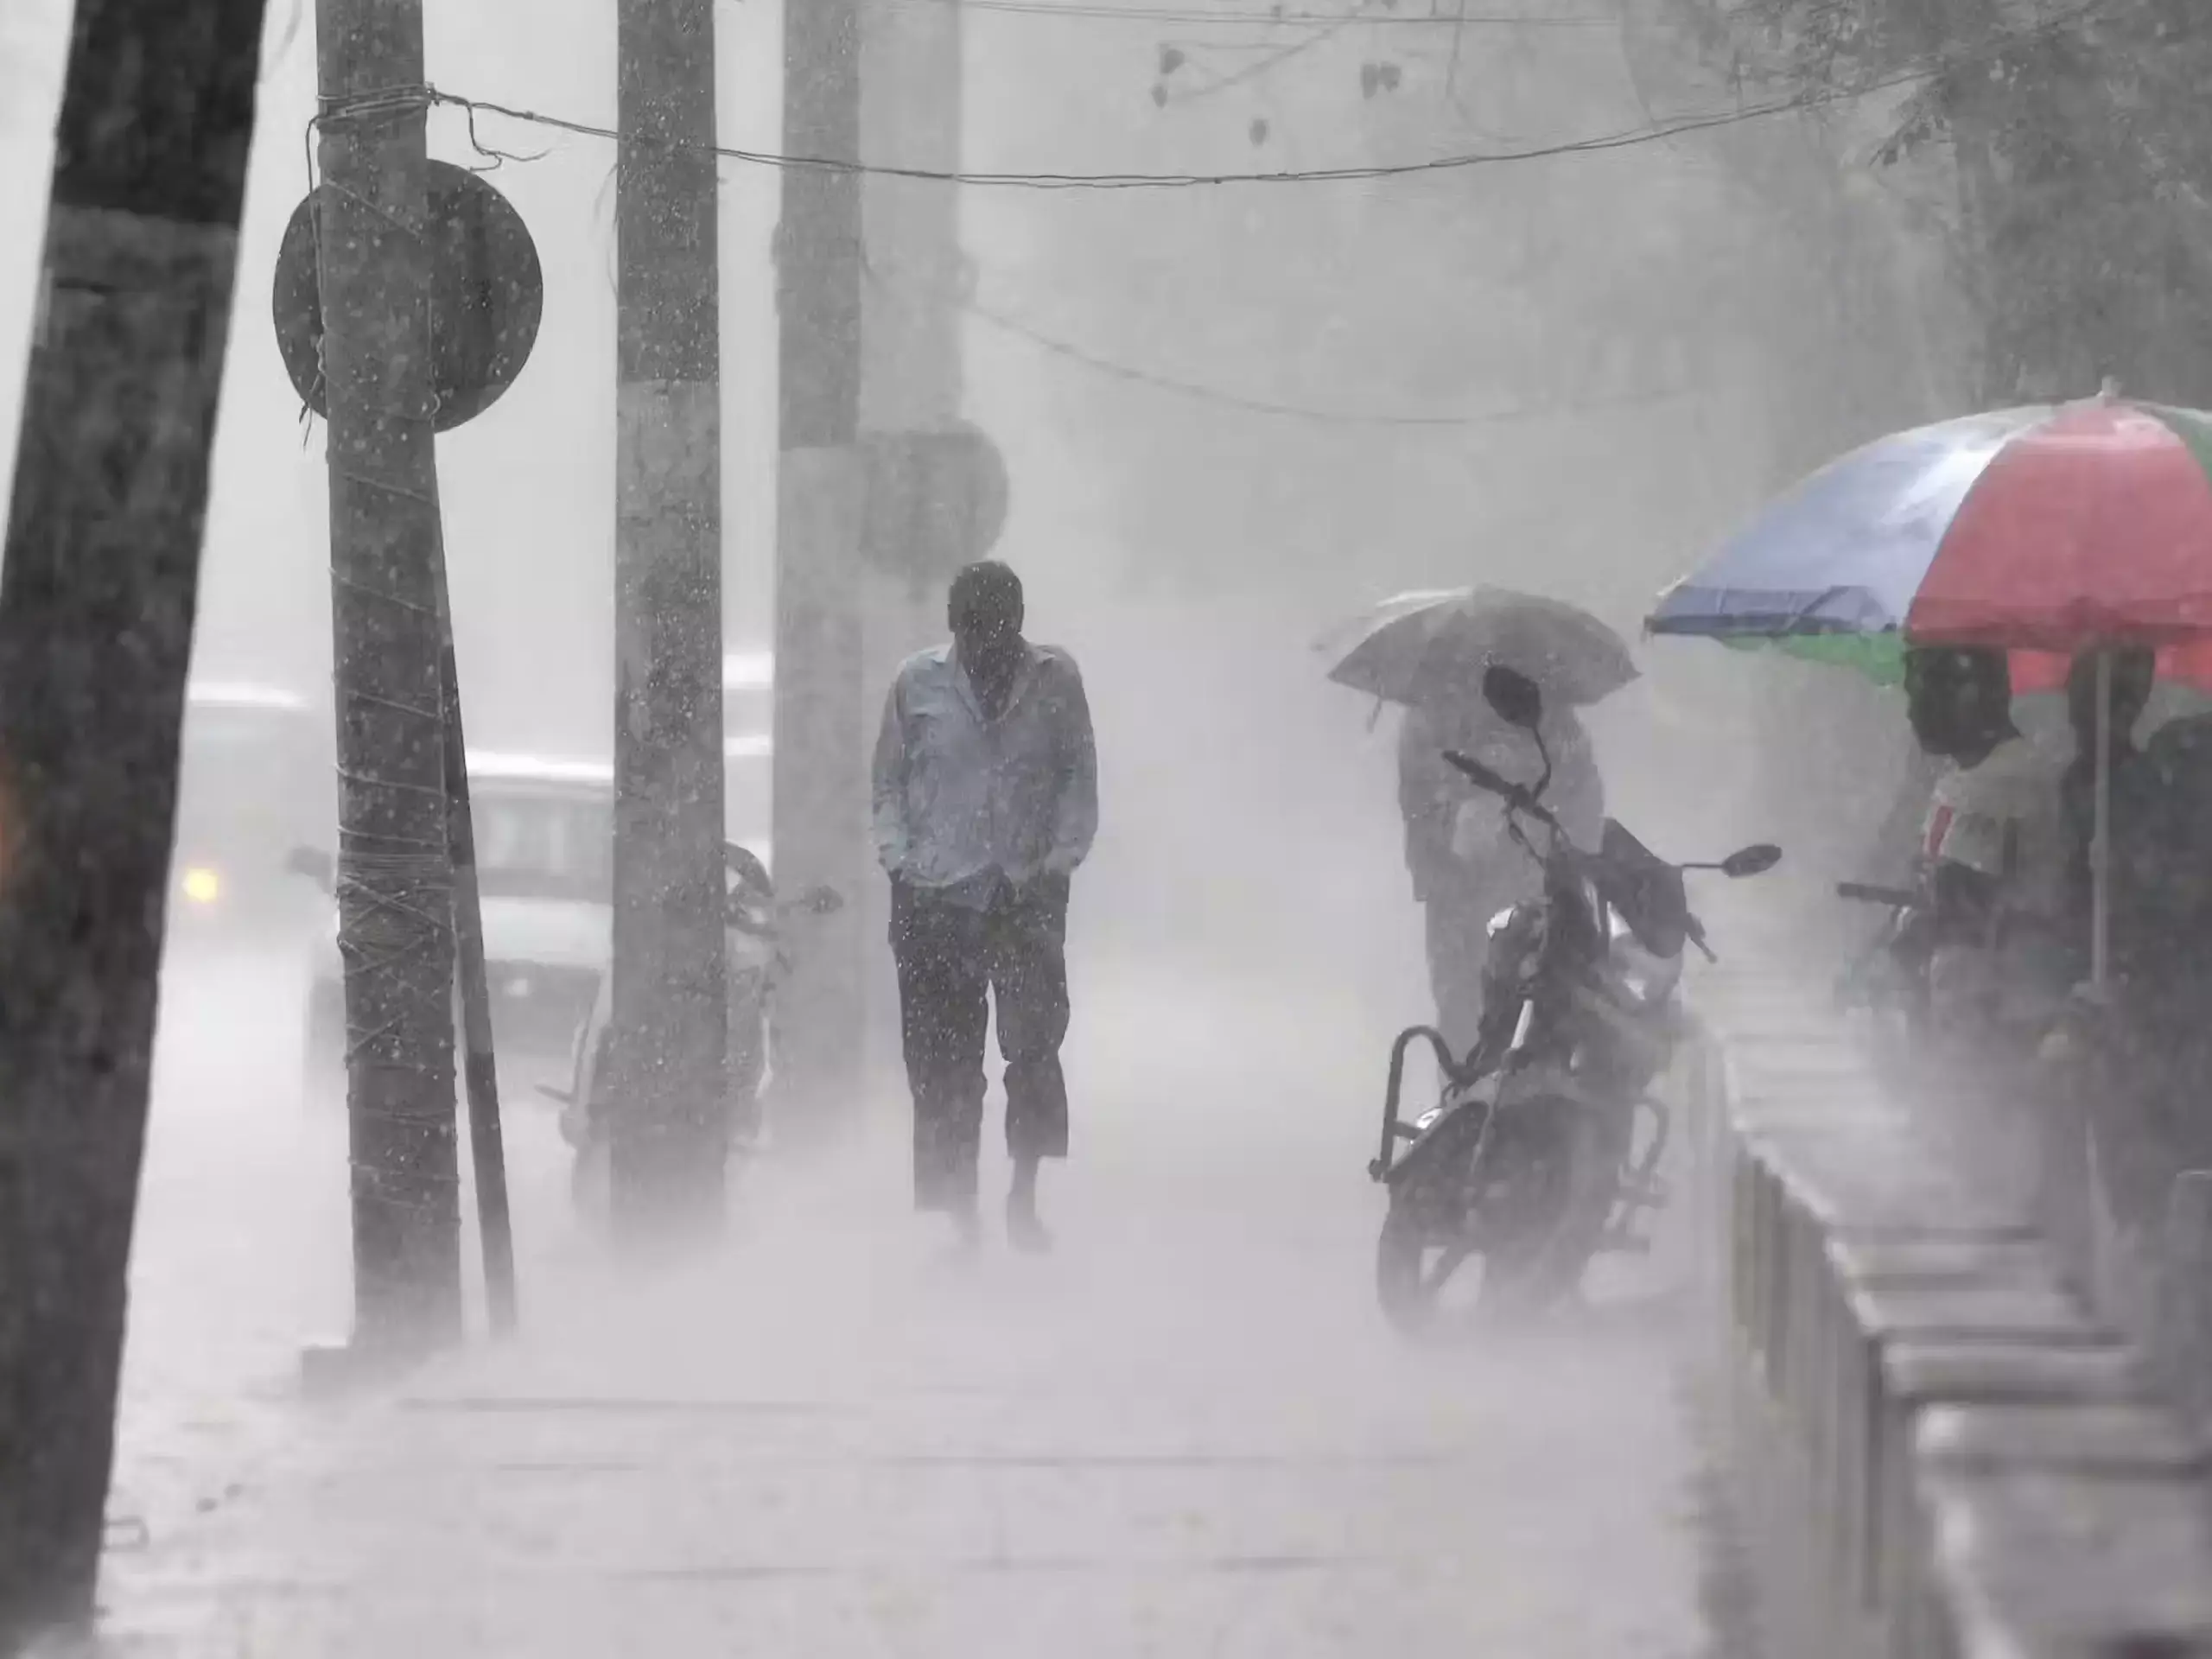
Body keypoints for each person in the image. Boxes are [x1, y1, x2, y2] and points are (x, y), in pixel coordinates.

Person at [872, 561, 1098, 1254]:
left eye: (997, 631)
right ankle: (959, 1212)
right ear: (953, 625)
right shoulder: (918, 683)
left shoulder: (1056, 683)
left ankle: (1023, 1197)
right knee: (942, 1067)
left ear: (1019, 625)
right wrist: (901, 862)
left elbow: (1078, 783)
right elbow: (888, 783)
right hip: (936, 899)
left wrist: (1057, 865)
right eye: (972, 631)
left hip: (1025, 895)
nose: (985, 646)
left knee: (1032, 1054)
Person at [1397, 667, 1602, 1053]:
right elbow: (1415, 802)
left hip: (1532, 884)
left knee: (1540, 996)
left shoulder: (1549, 714)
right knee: (1464, 1006)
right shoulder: (1430, 718)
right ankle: (1466, 1094)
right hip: (1464, 891)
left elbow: (1582, 800)